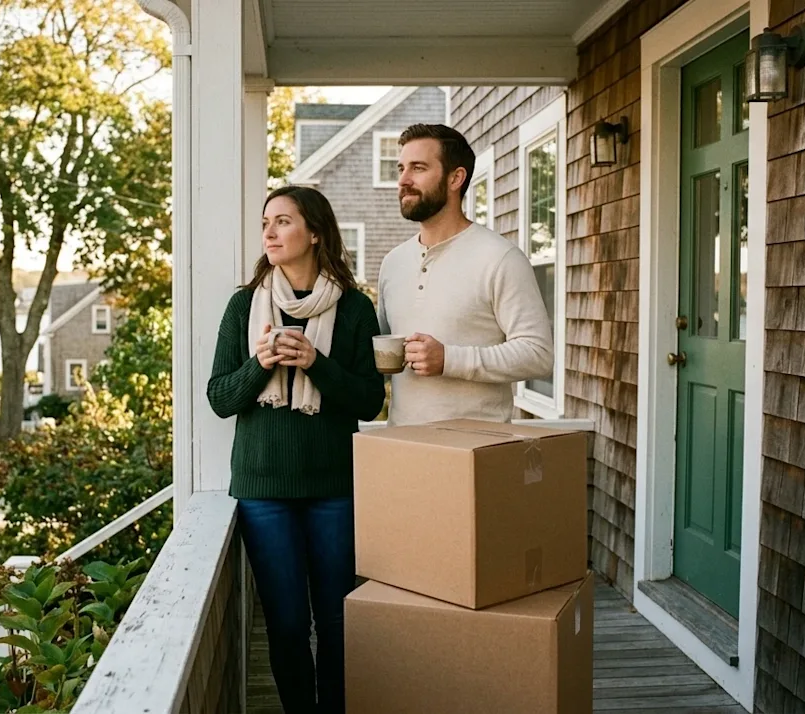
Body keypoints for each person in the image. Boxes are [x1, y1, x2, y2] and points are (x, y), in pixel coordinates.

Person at [207, 185, 385, 714]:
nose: (269, 232)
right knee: (286, 625)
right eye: (266, 221)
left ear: (314, 232)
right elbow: (219, 398)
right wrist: (260, 363)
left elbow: (370, 401)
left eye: (283, 221)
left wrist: (316, 363)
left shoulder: (354, 309)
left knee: (336, 621)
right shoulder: (245, 305)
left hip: (334, 488)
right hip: (264, 491)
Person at [376, 123, 554, 426]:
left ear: (455, 178)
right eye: (401, 168)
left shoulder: (500, 258)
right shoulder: (393, 263)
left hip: (475, 451)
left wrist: (449, 359)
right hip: (403, 447)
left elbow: (537, 354)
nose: (403, 180)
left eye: (418, 168)